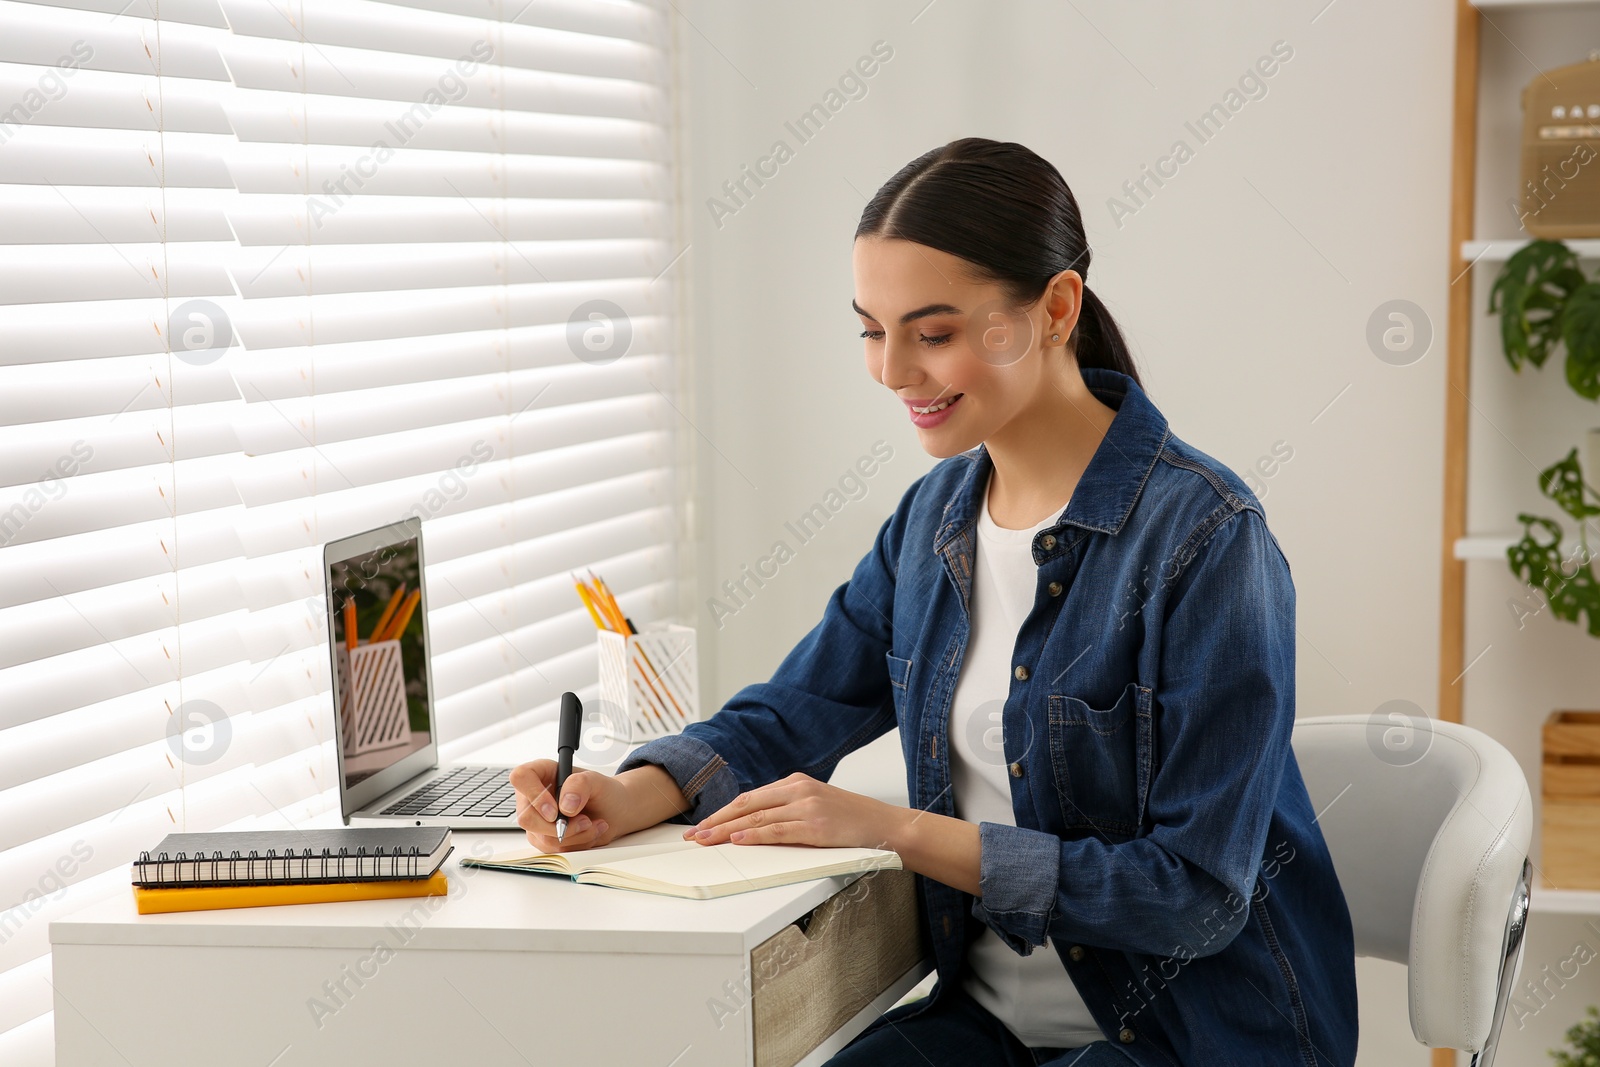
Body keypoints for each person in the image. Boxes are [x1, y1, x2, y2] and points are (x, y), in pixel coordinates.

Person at [508, 137, 1359, 1067]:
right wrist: (631, 794)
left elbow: (1196, 894)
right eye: (872, 330)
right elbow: (798, 706)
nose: (891, 371)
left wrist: (900, 831)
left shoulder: (1206, 539)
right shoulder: (934, 522)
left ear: (1056, 309)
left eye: (934, 332)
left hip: (1193, 1038)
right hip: (993, 1028)